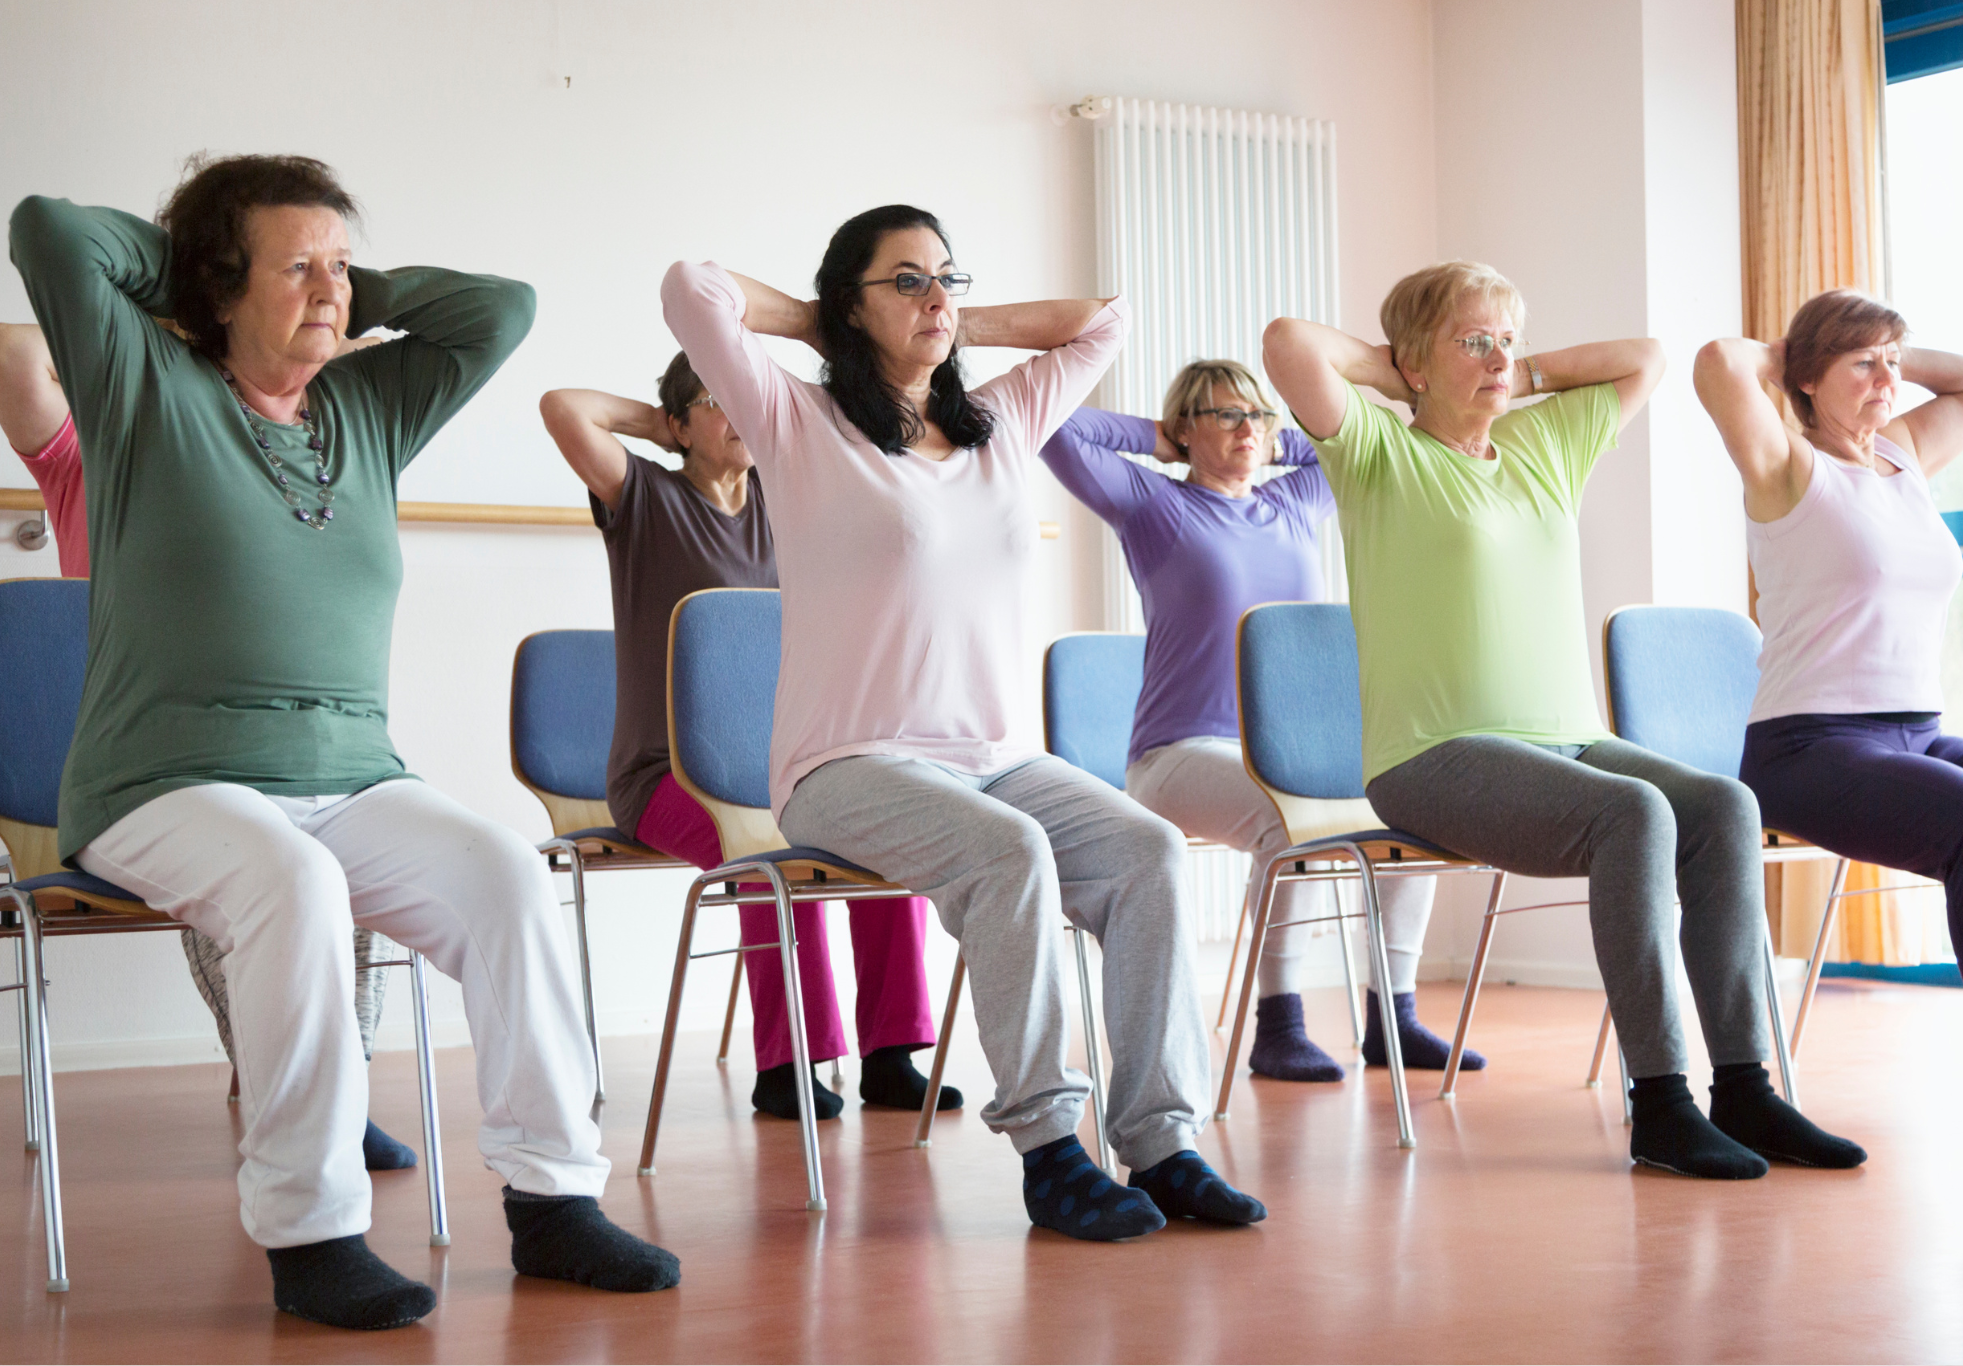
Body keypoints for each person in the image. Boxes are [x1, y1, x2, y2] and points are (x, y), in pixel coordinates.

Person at [8, 155, 678, 1332]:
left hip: (354, 775)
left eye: (344, 264)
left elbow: (499, 309)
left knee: (507, 879)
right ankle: (312, 1231)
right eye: (298, 267)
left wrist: (337, 292)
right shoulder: (143, 384)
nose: (332, 288)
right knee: (294, 885)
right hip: (158, 783)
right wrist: (196, 275)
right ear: (218, 284)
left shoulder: (369, 407)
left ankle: (554, 1201)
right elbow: (50, 230)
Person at [660, 205, 1264, 1242]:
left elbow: (1103, 323)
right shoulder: (798, 424)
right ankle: (1049, 1150)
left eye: (947, 276)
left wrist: (940, 318)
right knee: (1009, 853)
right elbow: (690, 287)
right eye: (904, 279)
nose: (936, 294)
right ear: (851, 303)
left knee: (1147, 849)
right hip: (842, 766)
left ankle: (1160, 1144)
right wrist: (824, 321)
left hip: (992, 758)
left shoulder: (998, 425)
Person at [1264, 259, 1867, 1180]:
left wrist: (1511, 370)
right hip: (1433, 753)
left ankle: (1745, 1088)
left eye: (1508, 338)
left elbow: (1648, 359)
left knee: (1724, 807)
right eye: (1475, 340)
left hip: (1571, 737)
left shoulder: (1547, 443)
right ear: (1414, 362)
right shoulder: (1378, 450)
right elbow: (1289, 344)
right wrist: (1399, 374)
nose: (1500, 357)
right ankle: (1660, 1101)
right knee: (1633, 814)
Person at [0, 320, 419, 1173]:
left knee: (341, 865)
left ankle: (339, 1080)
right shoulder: (99, 453)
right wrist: (185, 323)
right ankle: (300, 1090)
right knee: (248, 861)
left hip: (280, 747)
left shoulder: (286, 455)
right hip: (140, 764)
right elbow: (13, 353)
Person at [540, 358, 956, 1121]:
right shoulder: (645, 498)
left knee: (880, 839)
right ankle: (789, 1062)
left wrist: (744, 411)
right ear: (679, 424)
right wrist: (663, 421)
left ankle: (891, 1054)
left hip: (785, 769)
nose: (736, 413)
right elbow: (565, 406)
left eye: (745, 401)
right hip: (664, 776)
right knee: (766, 860)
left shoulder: (786, 500)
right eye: (714, 403)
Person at [1042, 359, 1479, 1081]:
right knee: (1287, 821)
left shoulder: (1298, 502)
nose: (1250, 428)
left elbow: (1361, 435)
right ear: (1187, 427)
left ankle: (1392, 1019)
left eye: (1260, 415)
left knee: (1417, 806)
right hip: (1178, 754)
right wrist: (1160, 440)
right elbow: (1054, 429)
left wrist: (1275, 438)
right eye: (1226, 415)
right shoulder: (1154, 507)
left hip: (1293, 751)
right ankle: (1280, 1025)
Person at [1695, 289, 1963, 1093]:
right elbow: (1719, 363)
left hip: (1918, 735)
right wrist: (1797, 350)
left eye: (1892, 364)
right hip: (1808, 748)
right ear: (1805, 378)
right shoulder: (1789, 465)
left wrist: (1885, 349)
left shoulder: (1900, 457)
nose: (1886, 380)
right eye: (1861, 364)